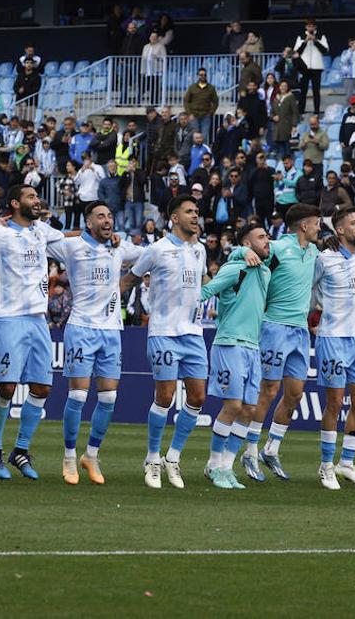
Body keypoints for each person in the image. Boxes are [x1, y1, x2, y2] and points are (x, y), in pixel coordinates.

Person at [48, 201, 144, 485]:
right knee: (77, 396)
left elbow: (151, 255)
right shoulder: (72, 246)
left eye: (110, 216)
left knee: (109, 398)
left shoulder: (120, 247)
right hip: (81, 329)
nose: (107, 220)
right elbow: (40, 235)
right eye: (100, 216)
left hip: (111, 331)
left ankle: (91, 455)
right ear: (89, 223)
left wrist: (129, 280)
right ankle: (68, 457)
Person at [225, 204, 322, 482]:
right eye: (316, 223)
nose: (319, 228)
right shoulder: (278, 248)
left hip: (300, 330)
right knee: (268, 390)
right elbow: (240, 258)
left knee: (295, 393)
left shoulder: (314, 252)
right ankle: (250, 451)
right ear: (304, 225)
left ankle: (272, 448)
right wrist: (242, 250)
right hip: (274, 327)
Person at [117, 196, 207, 489]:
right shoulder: (157, 250)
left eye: (196, 212)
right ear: (175, 218)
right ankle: (153, 457)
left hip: (194, 333)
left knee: (197, 398)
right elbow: (129, 279)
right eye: (189, 212)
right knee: (165, 397)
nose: (195, 216)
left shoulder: (200, 250)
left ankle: (173, 457)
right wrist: (107, 301)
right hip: (164, 332)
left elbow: (203, 286)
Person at [0, 185, 68, 481]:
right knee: (6, 386)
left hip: (38, 320)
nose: (37, 200)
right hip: (8, 317)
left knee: (42, 387)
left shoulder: (41, 230)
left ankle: (20, 450)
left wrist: (98, 237)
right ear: (16, 203)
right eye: (31, 197)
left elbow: (68, 239)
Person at [199, 222, 272, 490]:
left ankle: (227, 467)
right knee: (233, 406)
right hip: (229, 343)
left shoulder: (264, 270)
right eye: (261, 237)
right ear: (247, 242)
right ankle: (214, 464)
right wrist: (239, 253)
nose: (267, 241)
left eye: (267, 236)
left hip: (253, 346)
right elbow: (206, 291)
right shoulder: (235, 268)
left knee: (250, 409)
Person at [311, 206, 355, 489]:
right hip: (332, 338)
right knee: (334, 403)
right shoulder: (324, 258)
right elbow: (306, 289)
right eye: (354, 223)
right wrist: (309, 320)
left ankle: (346, 463)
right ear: (340, 230)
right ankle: (325, 466)